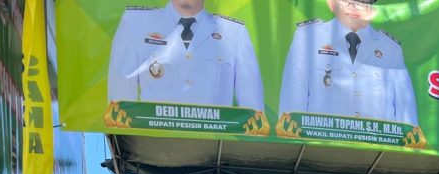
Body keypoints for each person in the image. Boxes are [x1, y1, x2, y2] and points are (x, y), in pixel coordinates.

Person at [279, 0, 419, 126]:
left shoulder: (390, 49)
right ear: (331, 3)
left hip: (376, 150)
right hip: (319, 150)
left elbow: (406, 117)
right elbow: (293, 102)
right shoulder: (308, 38)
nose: (354, 6)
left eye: (362, 1)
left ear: (372, 7)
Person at [107, 0, 264, 110]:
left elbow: (252, 108)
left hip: (217, 147)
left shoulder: (234, 33)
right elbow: (120, 95)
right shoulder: (137, 23)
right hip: (154, 144)